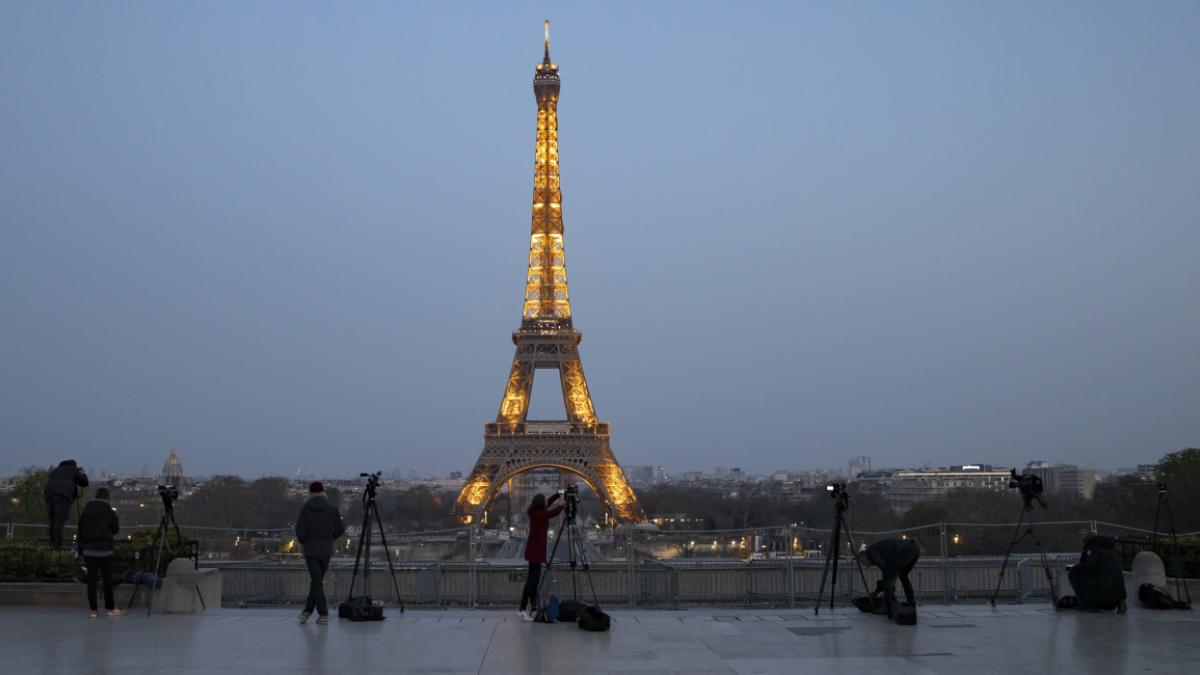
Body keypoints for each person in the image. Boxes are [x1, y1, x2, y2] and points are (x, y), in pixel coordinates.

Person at [295, 481, 345, 624]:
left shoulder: (305, 509)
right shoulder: (332, 508)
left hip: (311, 550)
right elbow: (340, 529)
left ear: (310, 493)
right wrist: (329, 539)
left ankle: (322, 614)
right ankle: (307, 612)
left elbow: (300, 532)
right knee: (317, 582)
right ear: (323, 493)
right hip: (326, 550)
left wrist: (307, 540)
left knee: (316, 582)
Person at [76, 487, 123, 618]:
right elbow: (116, 529)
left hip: (89, 550)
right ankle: (110, 608)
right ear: (107, 497)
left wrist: (80, 549)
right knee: (107, 580)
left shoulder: (85, 511)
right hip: (105, 550)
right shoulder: (109, 511)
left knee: (91, 580)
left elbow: (80, 531)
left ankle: (93, 610)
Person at [518, 492, 563, 620]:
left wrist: (558, 494)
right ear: (540, 503)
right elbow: (552, 513)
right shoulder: (539, 514)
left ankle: (529, 606)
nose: (546, 503)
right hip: (535, 551)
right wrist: (563, 505)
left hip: (533, 550)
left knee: (532, 581)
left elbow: (547, 503)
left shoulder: (535, 511)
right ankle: (524, 609)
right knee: (532, 581)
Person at [859, 538, 921, 619]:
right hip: (914, 548)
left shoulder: (871, 551)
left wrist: (885, 586)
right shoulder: (879, 551)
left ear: (864, 556)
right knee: (903, 576)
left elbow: (885, 568)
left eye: (864, 562)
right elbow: (891, 568)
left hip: (904, 549)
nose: (867, 566)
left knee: (887, 577)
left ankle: (888, 607)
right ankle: (911, 602)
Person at [1068, 534, 1127, 612]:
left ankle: (1087, 603)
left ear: (1087, 541)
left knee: (1074, 574)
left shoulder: (1092, 549)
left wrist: (1075, 567)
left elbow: (1090, 565)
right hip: (1117, 584)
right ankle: (1120, 602)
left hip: (1102, 583)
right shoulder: (1109, 548)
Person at [45, 459, 88, 549]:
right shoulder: (73, 469)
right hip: (63, 496)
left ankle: (52, 542)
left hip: (50, 495)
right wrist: (82, 473)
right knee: (59, 521)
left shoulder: (56, 470)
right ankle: (57, 545)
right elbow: (84, 482)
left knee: (53, 520)